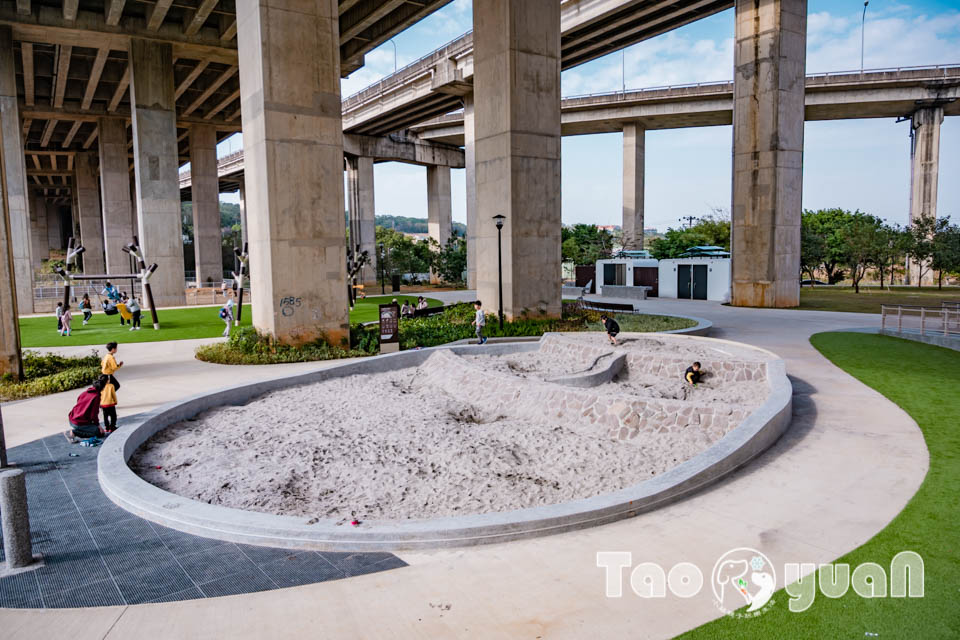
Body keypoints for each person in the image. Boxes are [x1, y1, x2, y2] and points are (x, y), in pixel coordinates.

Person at [64, 377, 107, 442]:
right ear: (102, 388)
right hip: (78, 422)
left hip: (71, 418)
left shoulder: (84, 392)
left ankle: (78, 429)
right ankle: (74, 432)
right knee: (99, 433)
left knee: (94, 428)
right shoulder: (96, 396)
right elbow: (94, 415)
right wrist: (98, 426)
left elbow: (78, 402)